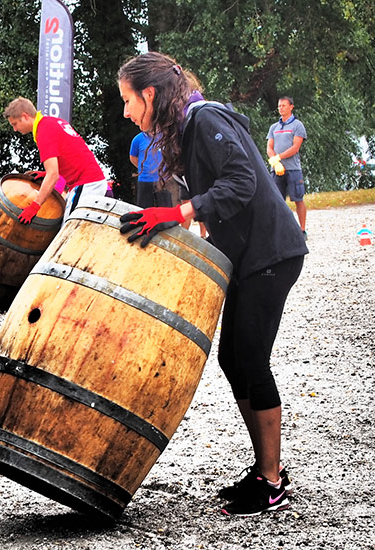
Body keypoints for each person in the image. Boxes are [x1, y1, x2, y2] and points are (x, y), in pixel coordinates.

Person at [117, 52, 308, 517]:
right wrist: (173, 226)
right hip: (244, 258)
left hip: (272, 253)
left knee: (250, 358)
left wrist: (178, 212)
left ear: (149, 94)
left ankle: (271, 480)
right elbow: (218, 198)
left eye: (127, 100)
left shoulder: (204, 117)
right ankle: (267, 470)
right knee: (231, 359)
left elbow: (242, 182)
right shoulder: (186, 129)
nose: (125, 112)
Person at [3, 97, 108, 224]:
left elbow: (53, 175)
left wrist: (35, 207)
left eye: (15, 124)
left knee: (68, 232)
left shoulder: (44, 131)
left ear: (25, 116)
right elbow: (70, 156)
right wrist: (46, 173)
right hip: (89, 183)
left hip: (87, 185)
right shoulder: (51, 122)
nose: (15, 129)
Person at [267, 97, 308, 239]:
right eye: (279, 106)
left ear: (291, 107)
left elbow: (295, 147)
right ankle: (280, 230)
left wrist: (279, 157)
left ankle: (302, 230)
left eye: (284, 105)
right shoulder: (274, 127)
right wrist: (275, 161)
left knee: (298, 199)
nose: (281, 108)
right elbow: (269, 147)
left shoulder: (297, 125)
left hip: (293, 169)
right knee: (277, 201)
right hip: (277, 170)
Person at [129, 131, 165, 208]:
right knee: (144, 210)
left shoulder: (166, 137)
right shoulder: (138, 139)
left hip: (164, 180)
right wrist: (144, 168)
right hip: (144, 180)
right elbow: (133, 157)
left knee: (167, 210)